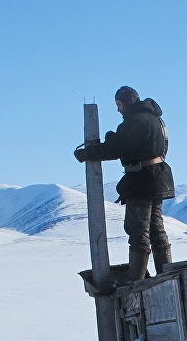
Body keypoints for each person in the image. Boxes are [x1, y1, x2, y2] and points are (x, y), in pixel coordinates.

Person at [74, 86, 174, 281]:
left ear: (124, 103)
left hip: (142, 180)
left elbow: (117, 147)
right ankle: (166, 272)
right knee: (156, 228)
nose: (119, 110)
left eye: (119, 105)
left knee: (138, 228)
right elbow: (126, 143)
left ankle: (136, 277)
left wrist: (88, 153)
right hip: (157, 178)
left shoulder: (137, 121)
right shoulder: (155, 119)